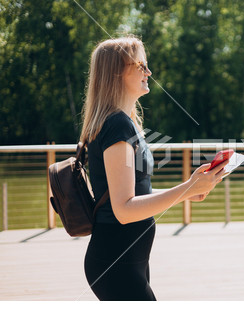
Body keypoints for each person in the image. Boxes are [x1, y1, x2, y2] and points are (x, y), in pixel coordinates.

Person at [80, 36, 228, 301]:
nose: (148, 72)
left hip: (127, 260)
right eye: (141, 66)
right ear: (117, 72)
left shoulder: (126, 124)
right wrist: (186, 186)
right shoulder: (116, 127)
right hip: (116, 262)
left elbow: (137, 191)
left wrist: (187, 192)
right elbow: (124, 210)